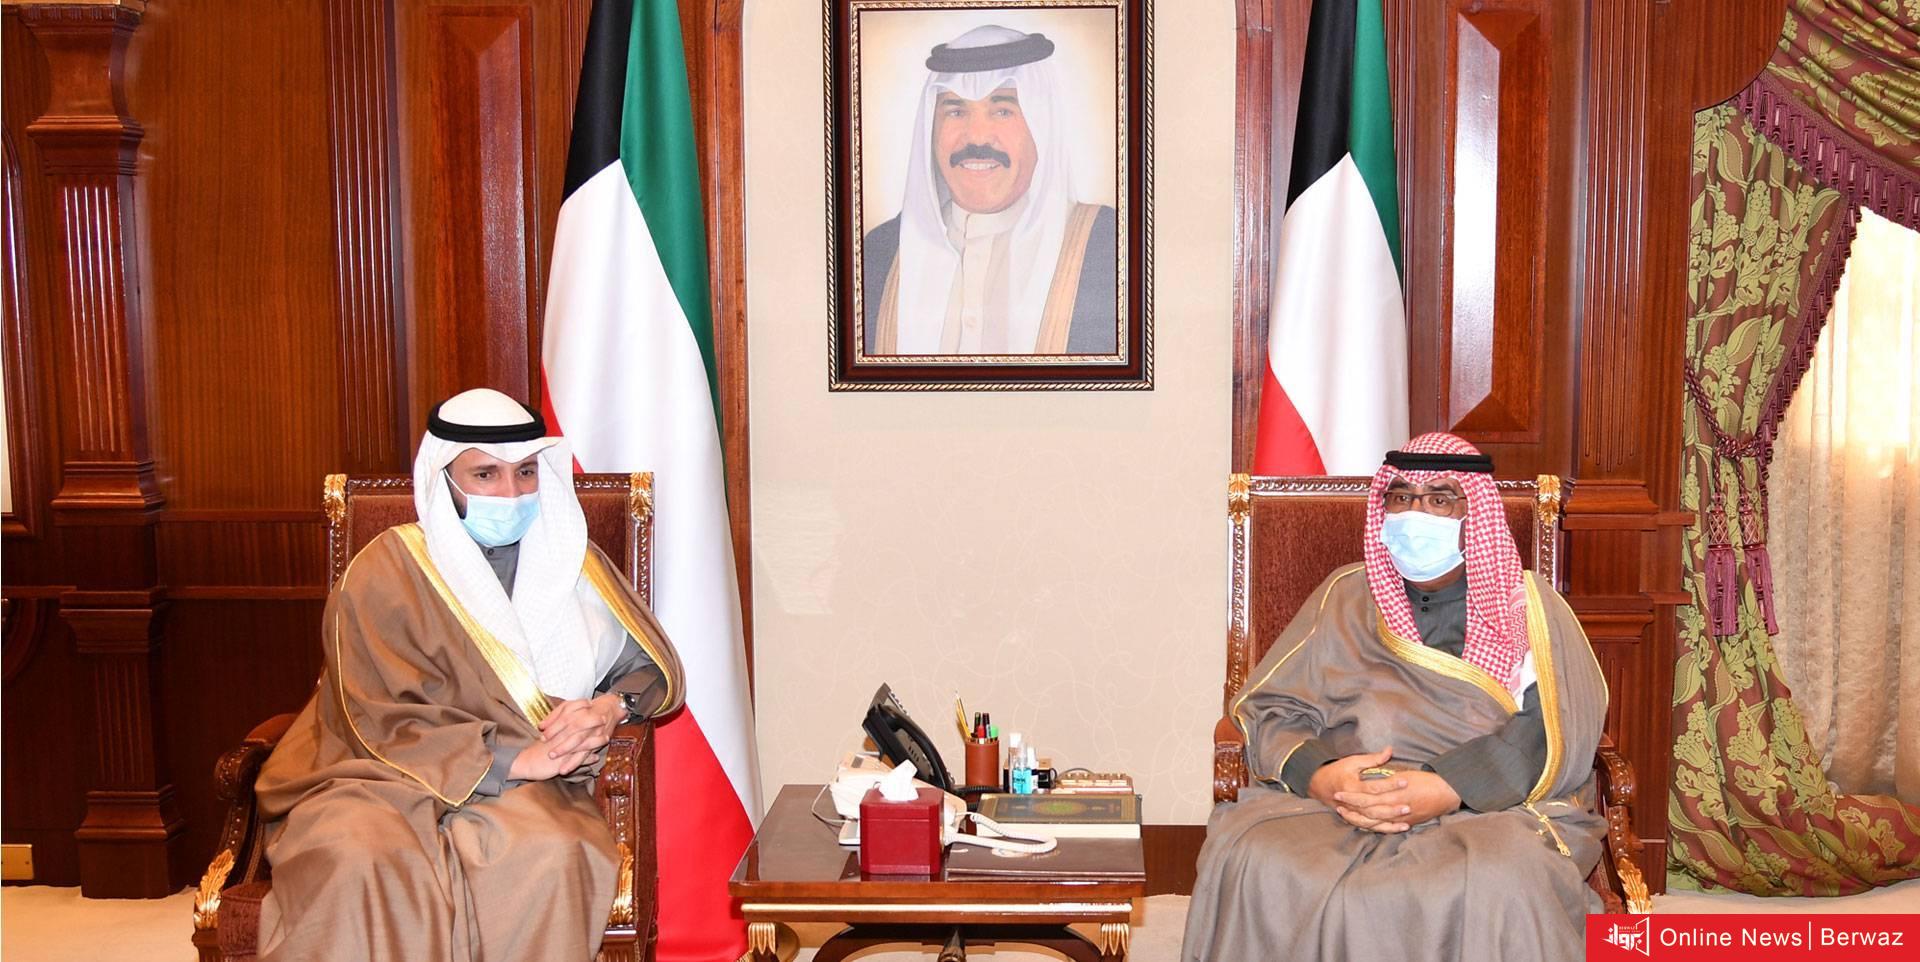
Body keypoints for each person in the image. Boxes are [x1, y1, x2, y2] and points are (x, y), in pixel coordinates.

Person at [252, 388, 684, 962]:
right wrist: (511, 760)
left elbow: (649, 668)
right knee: (358, 857)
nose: (512, 493)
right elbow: (377, 715)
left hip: (534, 788)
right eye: (485, 475)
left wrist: (609, 709)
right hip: (377, 776)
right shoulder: (385, 570)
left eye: (525, 472)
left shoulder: (573, 562)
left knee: (554, 852)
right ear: (444, 478)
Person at [1182, 432, 1608, 961]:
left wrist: (1449, 787)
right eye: (1401, 497)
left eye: (1439, 499)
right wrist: (1322, 778)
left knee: (1499, 876)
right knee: (1256, 856)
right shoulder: (1345, 595)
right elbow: (1273, 709)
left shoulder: (1529, 608)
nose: (1414, 514)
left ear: (1473, 513)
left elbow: (1554, 724)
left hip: (1487, 807)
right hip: (1346, 800)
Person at [862, 24, 1118, 356]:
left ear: (1040, 126)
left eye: (1002, 111)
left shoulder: (1109, 247)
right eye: (955, 111)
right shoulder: (879, 254)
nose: (977, 137)